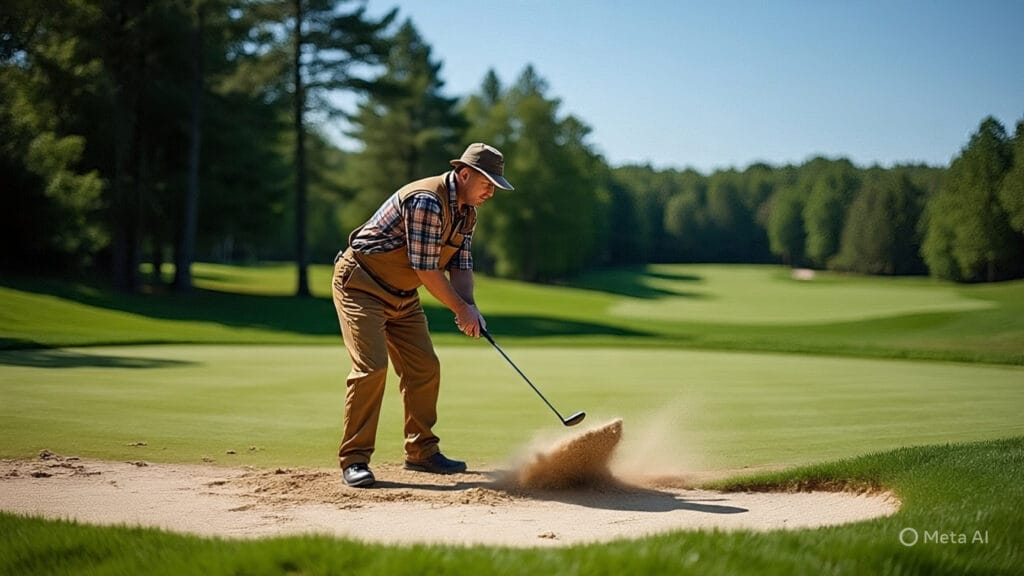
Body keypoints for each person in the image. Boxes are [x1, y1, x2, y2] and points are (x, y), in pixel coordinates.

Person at [331, 143, 514, 488]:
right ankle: (354, 460)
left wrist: (469, 307)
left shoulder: (468, 212)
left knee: (425, 367)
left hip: (403, 295)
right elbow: (427, 269)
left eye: (495, 185)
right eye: (487, 182)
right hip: (361, 285)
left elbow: (460, 266)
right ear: (464, 173)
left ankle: (421, 452)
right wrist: (460, 309)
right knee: (372, 367)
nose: (491, 190)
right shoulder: (426, 200)